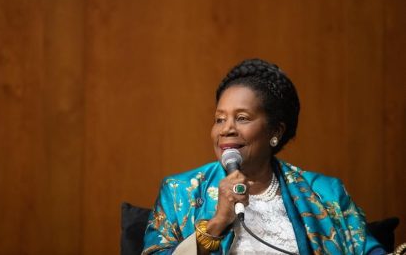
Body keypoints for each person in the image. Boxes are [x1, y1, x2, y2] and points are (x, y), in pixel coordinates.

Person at [142, 58, 385, 254]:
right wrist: (217, 222)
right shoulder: (179, 192)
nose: (226, 129)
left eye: (242, 118)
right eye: (219, 119)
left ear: (275, 131)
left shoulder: (327, 193)